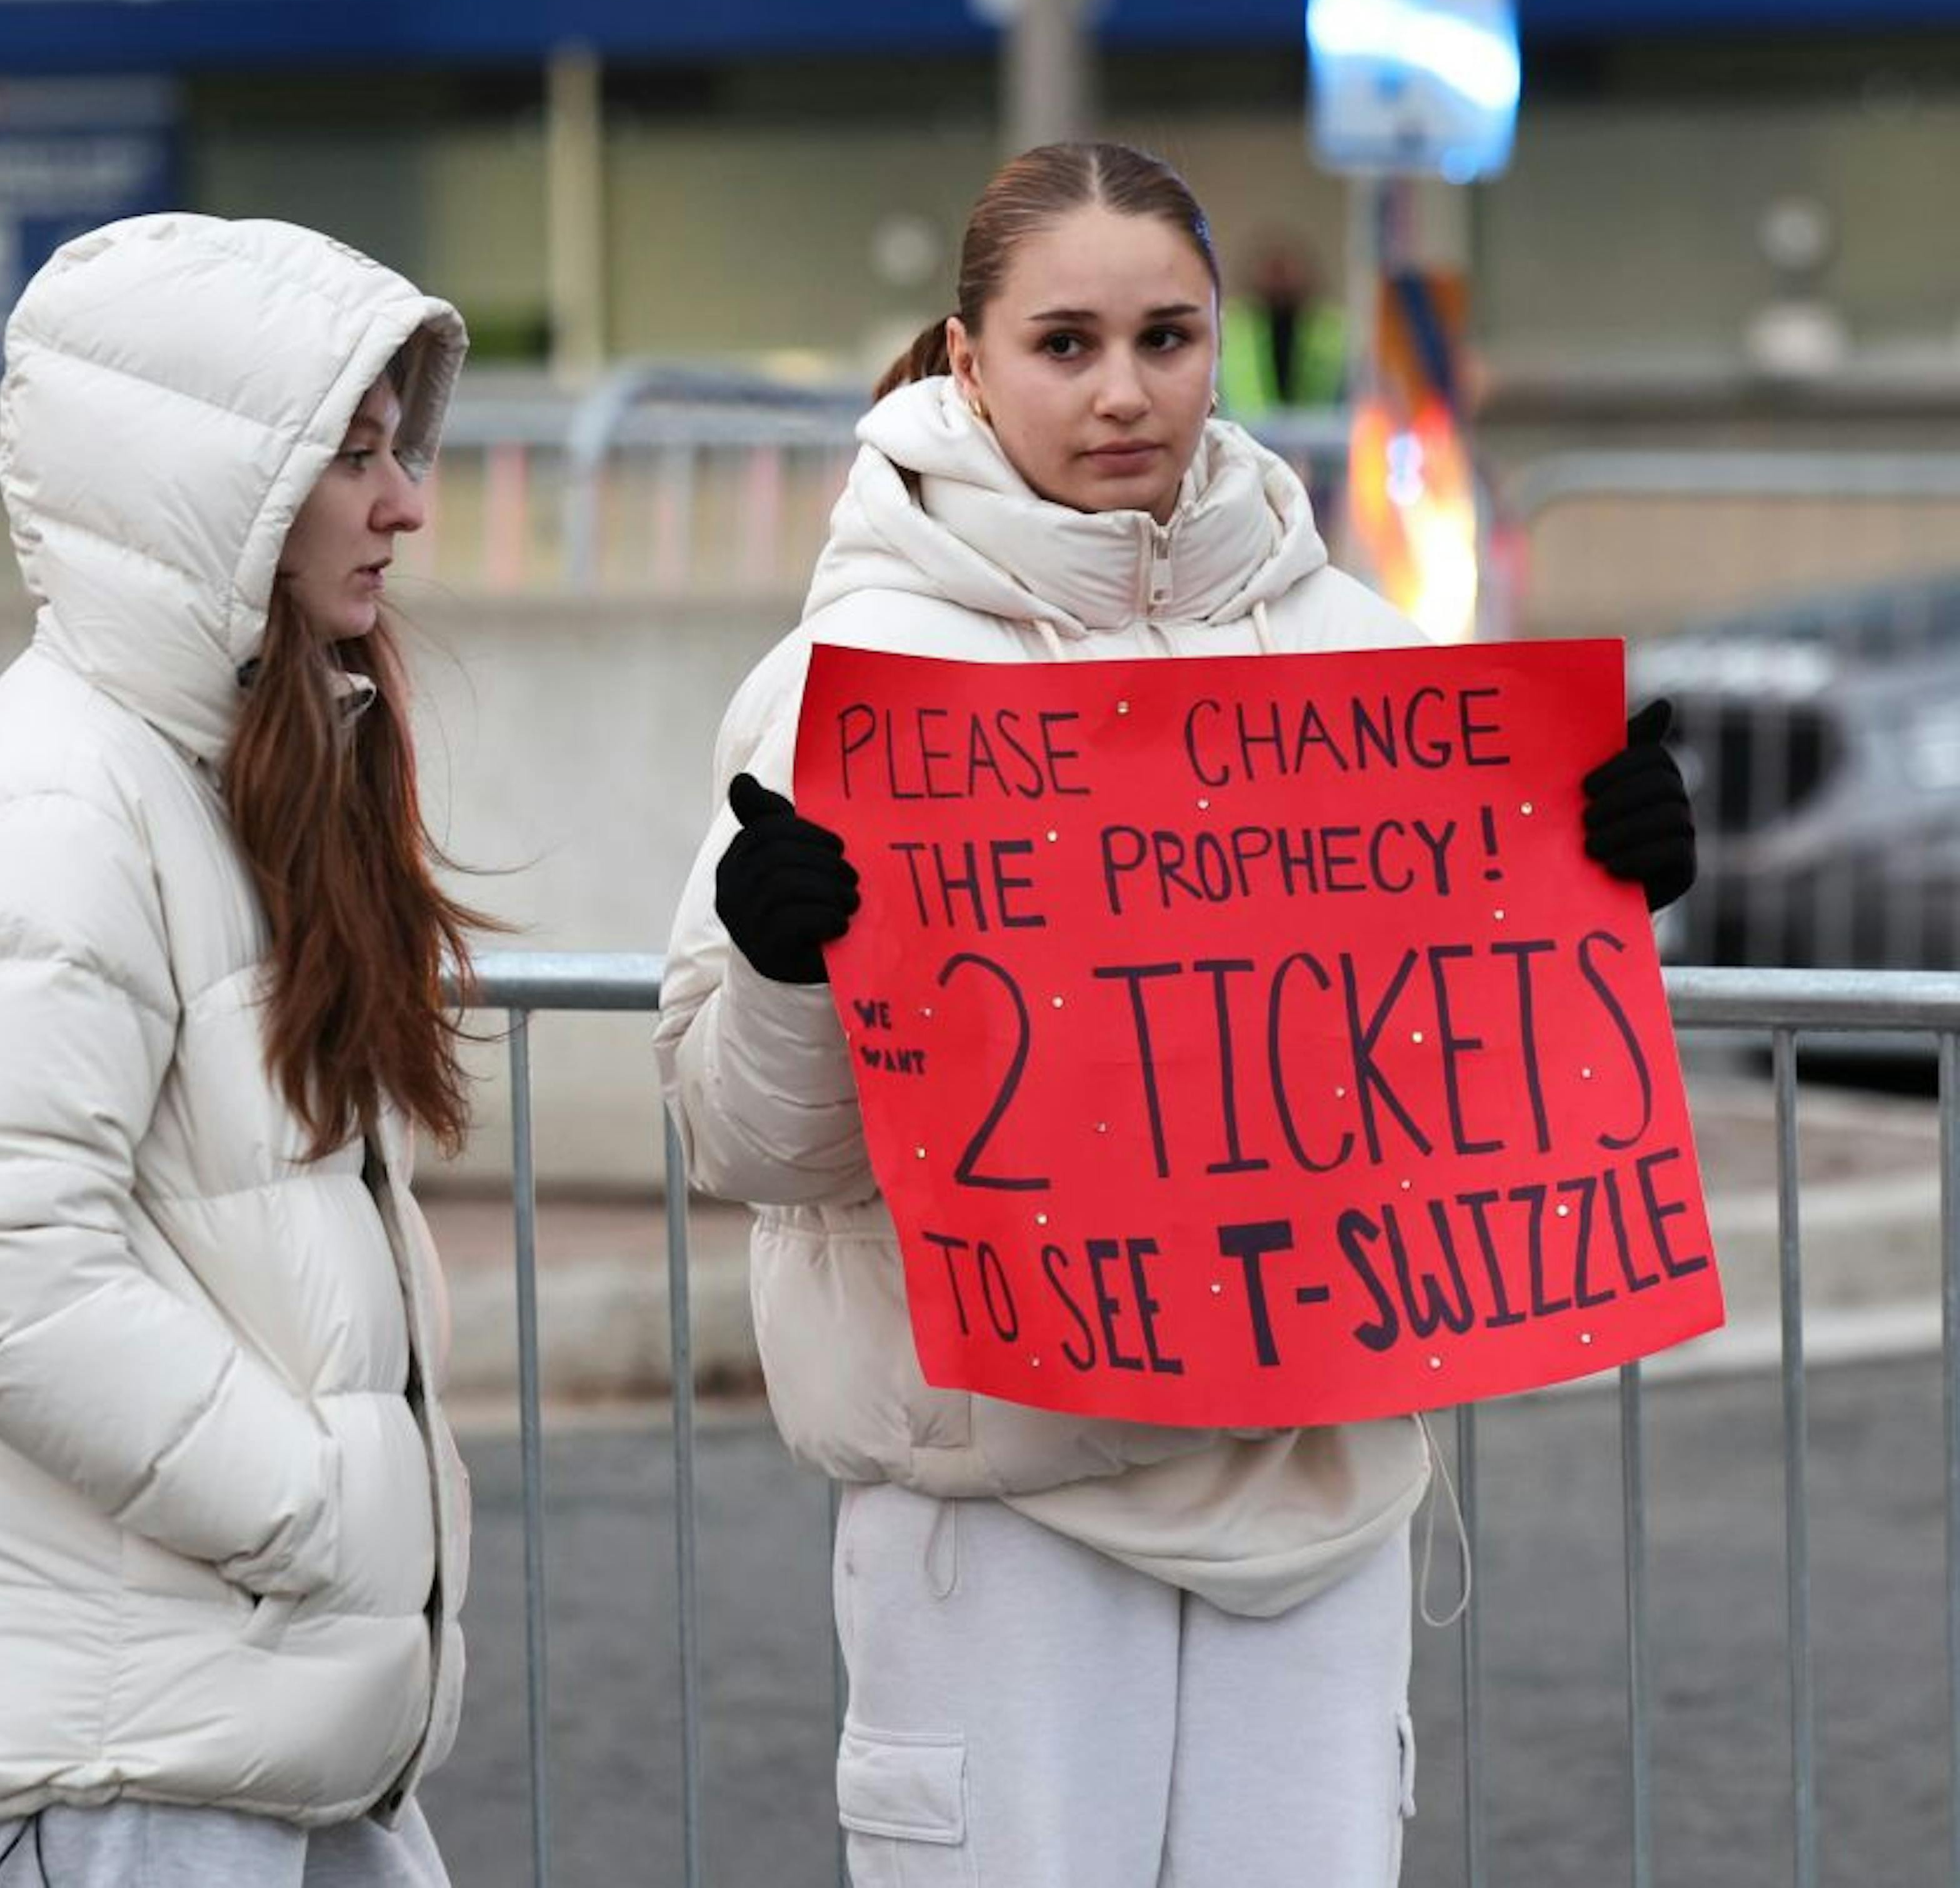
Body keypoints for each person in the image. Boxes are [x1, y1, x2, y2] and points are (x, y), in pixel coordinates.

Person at [655, 142, 1693, 1888]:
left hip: (1318, 1482)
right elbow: (749, 1139)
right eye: (1066, 344)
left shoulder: (1352, 645)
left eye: (1169, 337)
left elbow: (1464, 1065)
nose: (1125, 392)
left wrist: (1602, 899)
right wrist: (780, 965)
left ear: (1223, 346)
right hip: (1007, 1510)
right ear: (969, 361)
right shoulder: (848, 687)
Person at [0, 213, 491, 1887]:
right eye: (349, 456)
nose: (405, 501)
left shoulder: (223, 767)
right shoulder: (64, 799)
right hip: (146, 1755)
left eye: (395, 447)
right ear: (207, 483)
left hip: (252, 1735)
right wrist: (320, 1516)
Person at [1217, 231, 1346, 419]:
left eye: (1286, 269)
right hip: (1246, 438)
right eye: (1272, 270)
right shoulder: (1235, 326)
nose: (1279, 278)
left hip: (1319, 442)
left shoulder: (1329, 329)